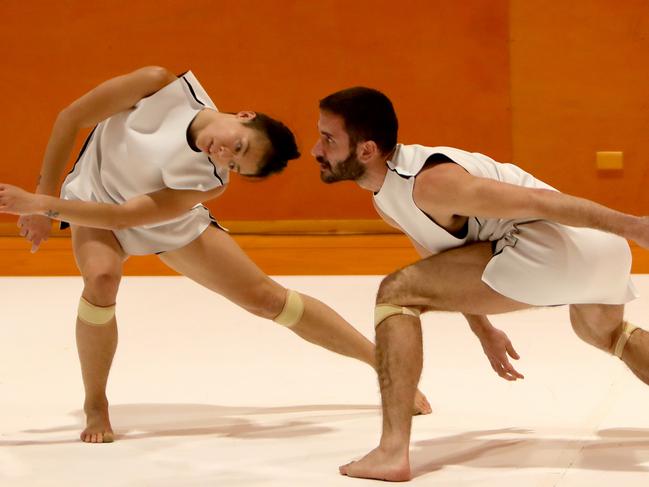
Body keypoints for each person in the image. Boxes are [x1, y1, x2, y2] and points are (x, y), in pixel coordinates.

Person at [0, 68, 431, 444]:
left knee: (266, 298)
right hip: (92, 198)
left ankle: (385, 368)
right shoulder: (158, 86)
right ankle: (96, 402)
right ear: (244, 116)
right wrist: (45, 195)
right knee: (101, 279)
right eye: (238, 146)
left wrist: (42, 209)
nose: (222, 157)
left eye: (235, 165)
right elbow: (70, 118)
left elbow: (127, 216)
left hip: (143, 217)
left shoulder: (209, 181)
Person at [311, 86, 649, 482]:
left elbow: (540, 201)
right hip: (597, 252)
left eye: (329, 139)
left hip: (559, 243)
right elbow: (441, 266)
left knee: (395, 294)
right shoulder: (386, 196)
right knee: (606, 335)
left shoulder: (431, 183)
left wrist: (634, 226)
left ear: (366, 150)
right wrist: (483, 327)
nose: (317, 149)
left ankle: (391, 451)